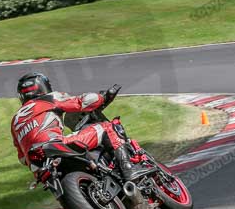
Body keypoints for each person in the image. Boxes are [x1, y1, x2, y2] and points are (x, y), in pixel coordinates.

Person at [11, 72, 145, 181]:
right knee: (107, 127)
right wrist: (102, 97)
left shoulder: (15, 121)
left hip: (38, 164)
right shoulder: (48, 99)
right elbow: (81, 102)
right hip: (56, 145)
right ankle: (128, 169)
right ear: (42, 86)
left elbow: (22, 159)